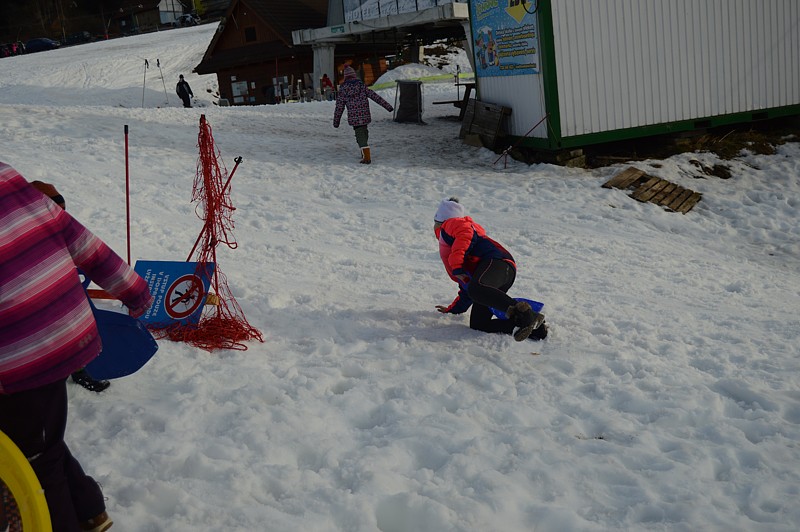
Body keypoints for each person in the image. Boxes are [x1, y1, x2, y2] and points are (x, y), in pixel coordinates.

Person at [0, 161, 154, 532]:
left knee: (34, 457)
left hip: (23, 352)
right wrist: (134, 290)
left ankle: (68, 520)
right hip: (66, 330)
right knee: (39, 437)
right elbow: (81, 241)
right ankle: (89, 509)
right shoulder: (7, 177)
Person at [29, 180, 111, 393]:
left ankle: (78, 370)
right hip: (27, 301)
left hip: (59, 294)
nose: (58, 218)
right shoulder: (17, 232)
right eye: (54, 212)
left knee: (72, 328)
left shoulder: (60, 230)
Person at [433, 197, 547, 341]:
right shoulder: (452, 244)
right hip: (495, 275)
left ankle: (527, 315)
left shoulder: (453, 224)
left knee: (477, 288)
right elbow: (467, 287)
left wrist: (456, 267)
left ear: (439, 221)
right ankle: (535, 329)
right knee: (479, 323)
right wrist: (453, 309)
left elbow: (465, 235)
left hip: (497, 263)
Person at [333, 65, 393, 165]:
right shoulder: (361, 86)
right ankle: (364, 151)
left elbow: (339, 107)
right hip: (364, 115)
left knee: (360, 135)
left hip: (354, 118)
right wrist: (388, 106)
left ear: (346, 77)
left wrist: (336, 121)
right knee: (363, 133)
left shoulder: (343, 90)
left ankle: (367, 157)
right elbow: (375, 96)